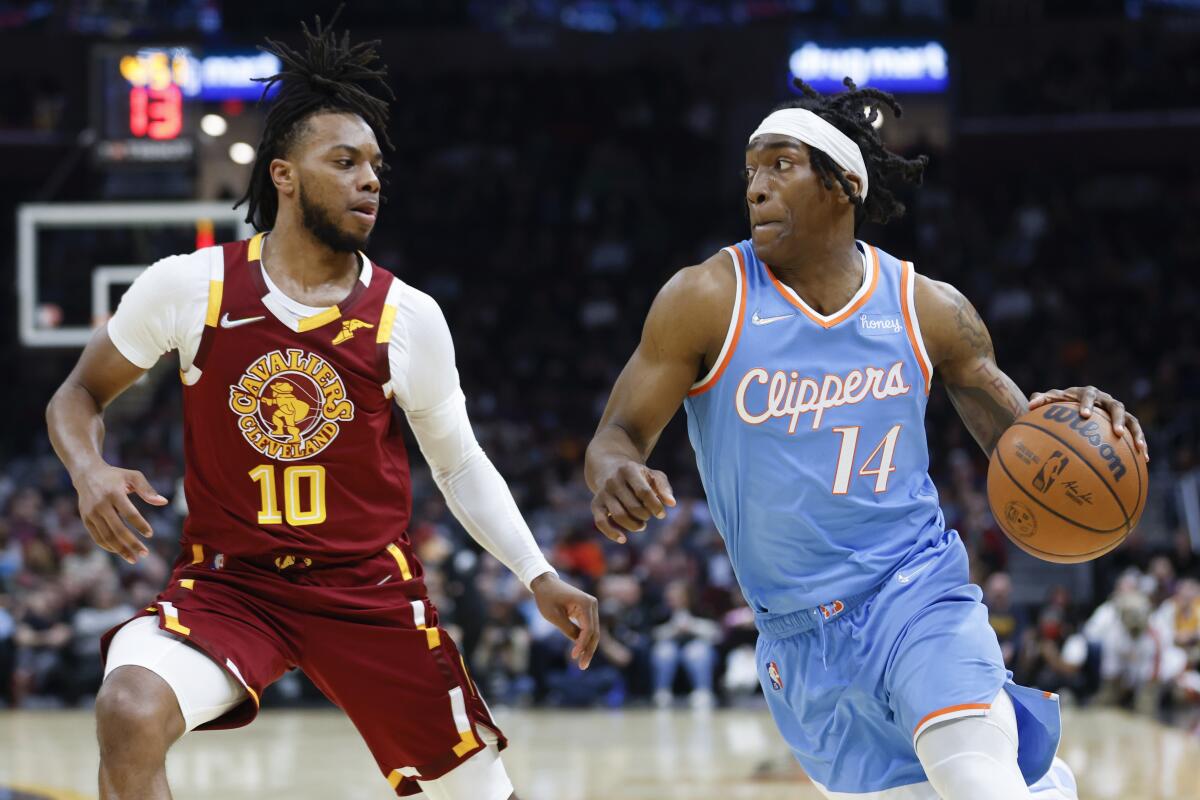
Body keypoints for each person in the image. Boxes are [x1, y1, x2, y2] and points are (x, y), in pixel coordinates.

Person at [45, 15, 597, 800]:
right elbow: (78, 394)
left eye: (375, 164)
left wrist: (537, 573)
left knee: (479, 792)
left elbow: (461, 463)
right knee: (129, 709)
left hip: (366, 589)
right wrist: (88, 467)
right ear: (284, 175)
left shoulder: (407, 317)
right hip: (234, 586)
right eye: (345, 161)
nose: (370, 178)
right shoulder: (191, 286)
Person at [585, 77, 1150, 799]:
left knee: (978, 782)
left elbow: (1027, 444)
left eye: (780, 165)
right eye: (751, 170)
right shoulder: (706, 298)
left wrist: (1082, 431)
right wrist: (613, 472)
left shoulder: (927, 308)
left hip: (916, 594)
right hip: (798, 637)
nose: (756, 187)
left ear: (844, 183)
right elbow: (616, 436)